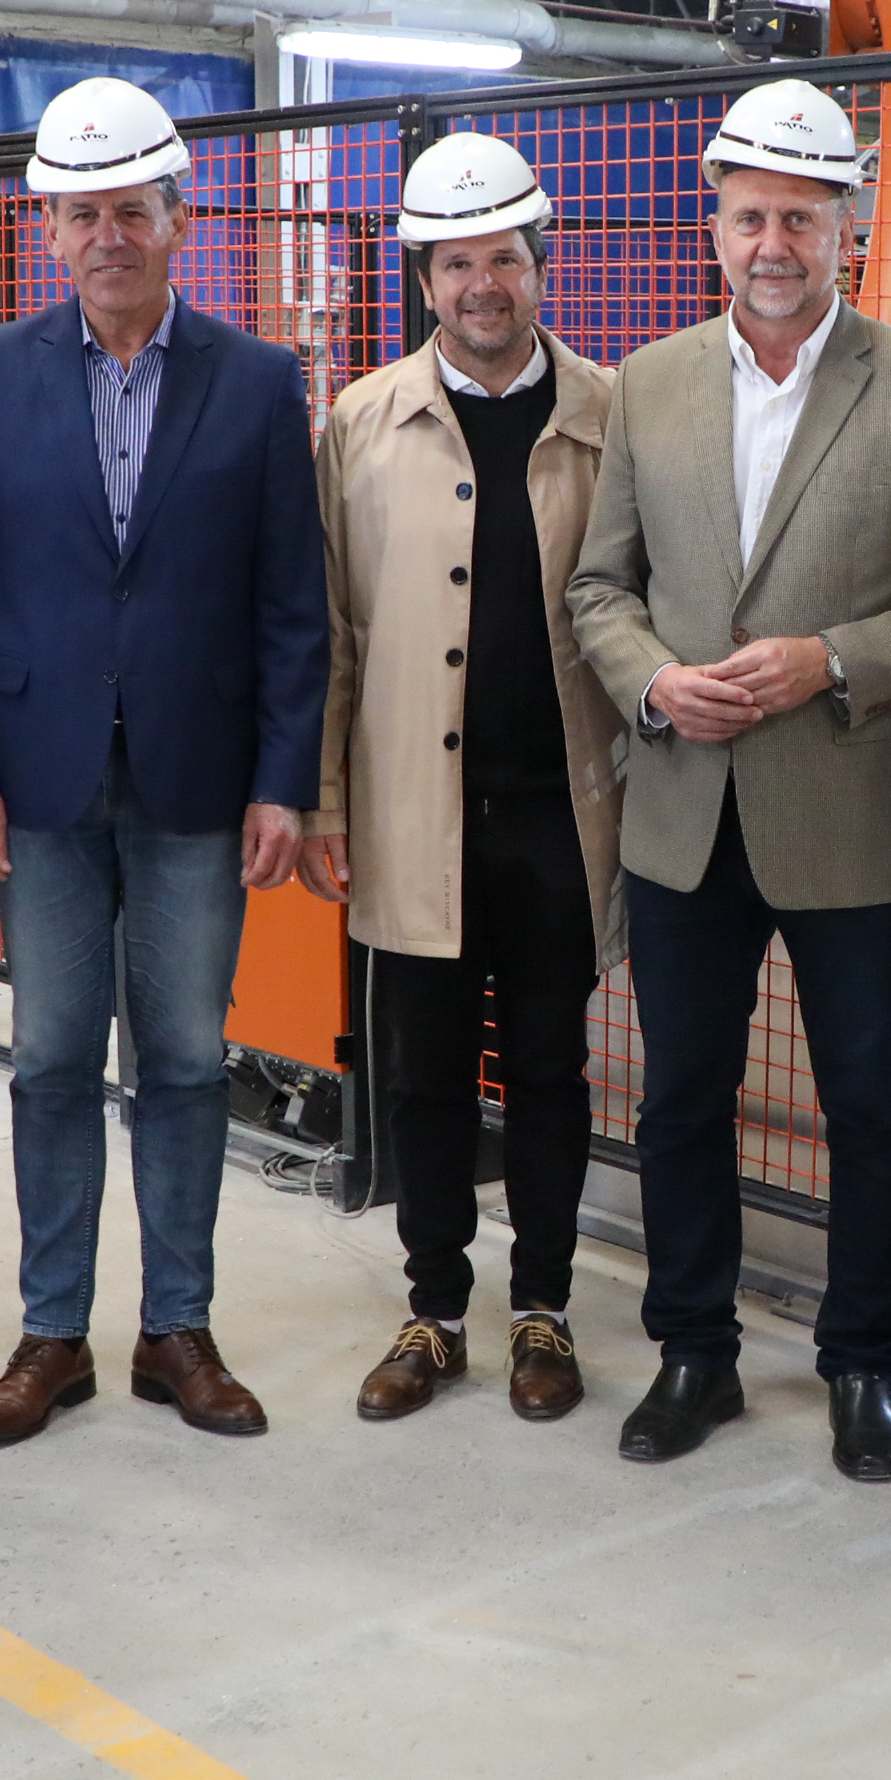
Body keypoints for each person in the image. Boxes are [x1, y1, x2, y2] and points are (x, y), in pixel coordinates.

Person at [566, 78, 891, 1481]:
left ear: (846, 229)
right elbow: (598, 586)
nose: (774, 244)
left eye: (802, 219)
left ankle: (863, 1361)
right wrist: (652, 679)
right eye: (751, 216)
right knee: (680, 1099)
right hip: (684, 811)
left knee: (871, 1105)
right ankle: (692, 1348)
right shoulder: (648, 383)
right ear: (715, 224)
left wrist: (831, 658)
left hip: (846, 813)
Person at [0, 77, 329, 1451]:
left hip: (196, 781)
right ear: (49, 230)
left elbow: (291, 605)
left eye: (131, 212)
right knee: (46, 1055)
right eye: (81, 214)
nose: (107, 236)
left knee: (186, 1058)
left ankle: (175, 1329)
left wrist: (283, 780)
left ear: (178, 220)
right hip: (35, 781)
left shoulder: (258, 381)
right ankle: (52, 1332)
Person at [301, 134, 621, 1426]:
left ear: (539, 263)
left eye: (503, 257)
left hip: (557, 819)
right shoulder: (361, 424)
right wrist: (325, 802)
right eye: (454, 263)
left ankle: (543, 1310)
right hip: (410, 816)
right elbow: (333, 631)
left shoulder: (608, 418)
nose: (481, 284)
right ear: (422, 277)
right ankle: (433, 1310)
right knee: (423, 1075)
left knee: (549, 1069)